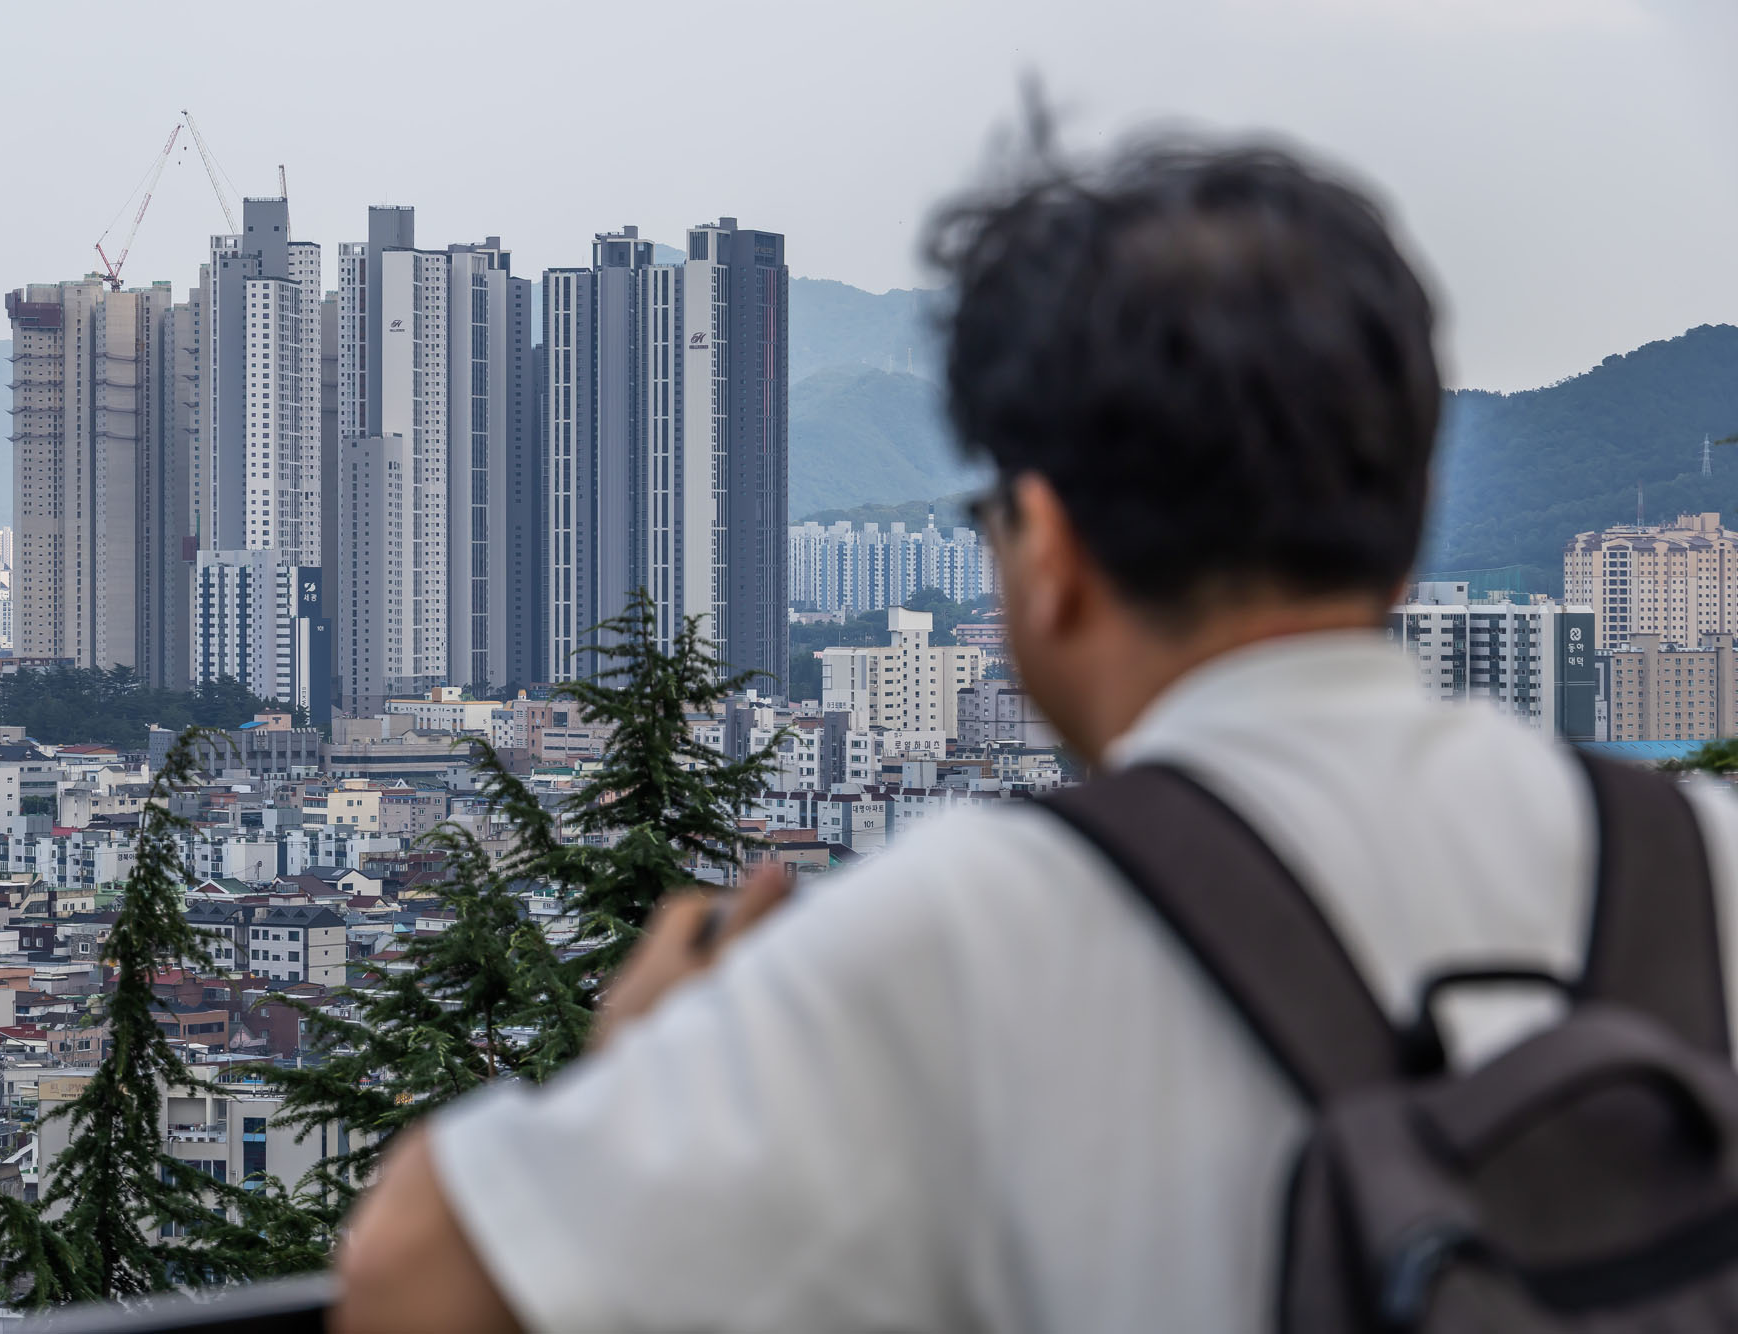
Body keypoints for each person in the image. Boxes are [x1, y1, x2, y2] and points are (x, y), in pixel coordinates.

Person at [334, 136, 1738, 1333]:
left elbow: (409, 1276)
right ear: (1414, 510)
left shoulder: (970, 928)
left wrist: (629, 1066)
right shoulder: (1706, 867)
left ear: (1048, 548)